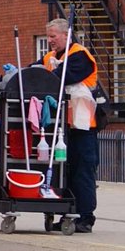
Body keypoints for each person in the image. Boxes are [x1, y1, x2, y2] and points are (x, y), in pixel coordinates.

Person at [35, 17, 100, 232]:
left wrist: (44, 77)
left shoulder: (79, 55)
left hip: (82, 127)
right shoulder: (50, 57)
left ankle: (85, 217)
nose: (50, 40)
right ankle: (66, 213)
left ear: (66, 35)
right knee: (64, 170)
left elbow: (63, 76)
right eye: (48, 37)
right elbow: (35, 72)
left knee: (82, 170)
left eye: (53, 36)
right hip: (62, 127)